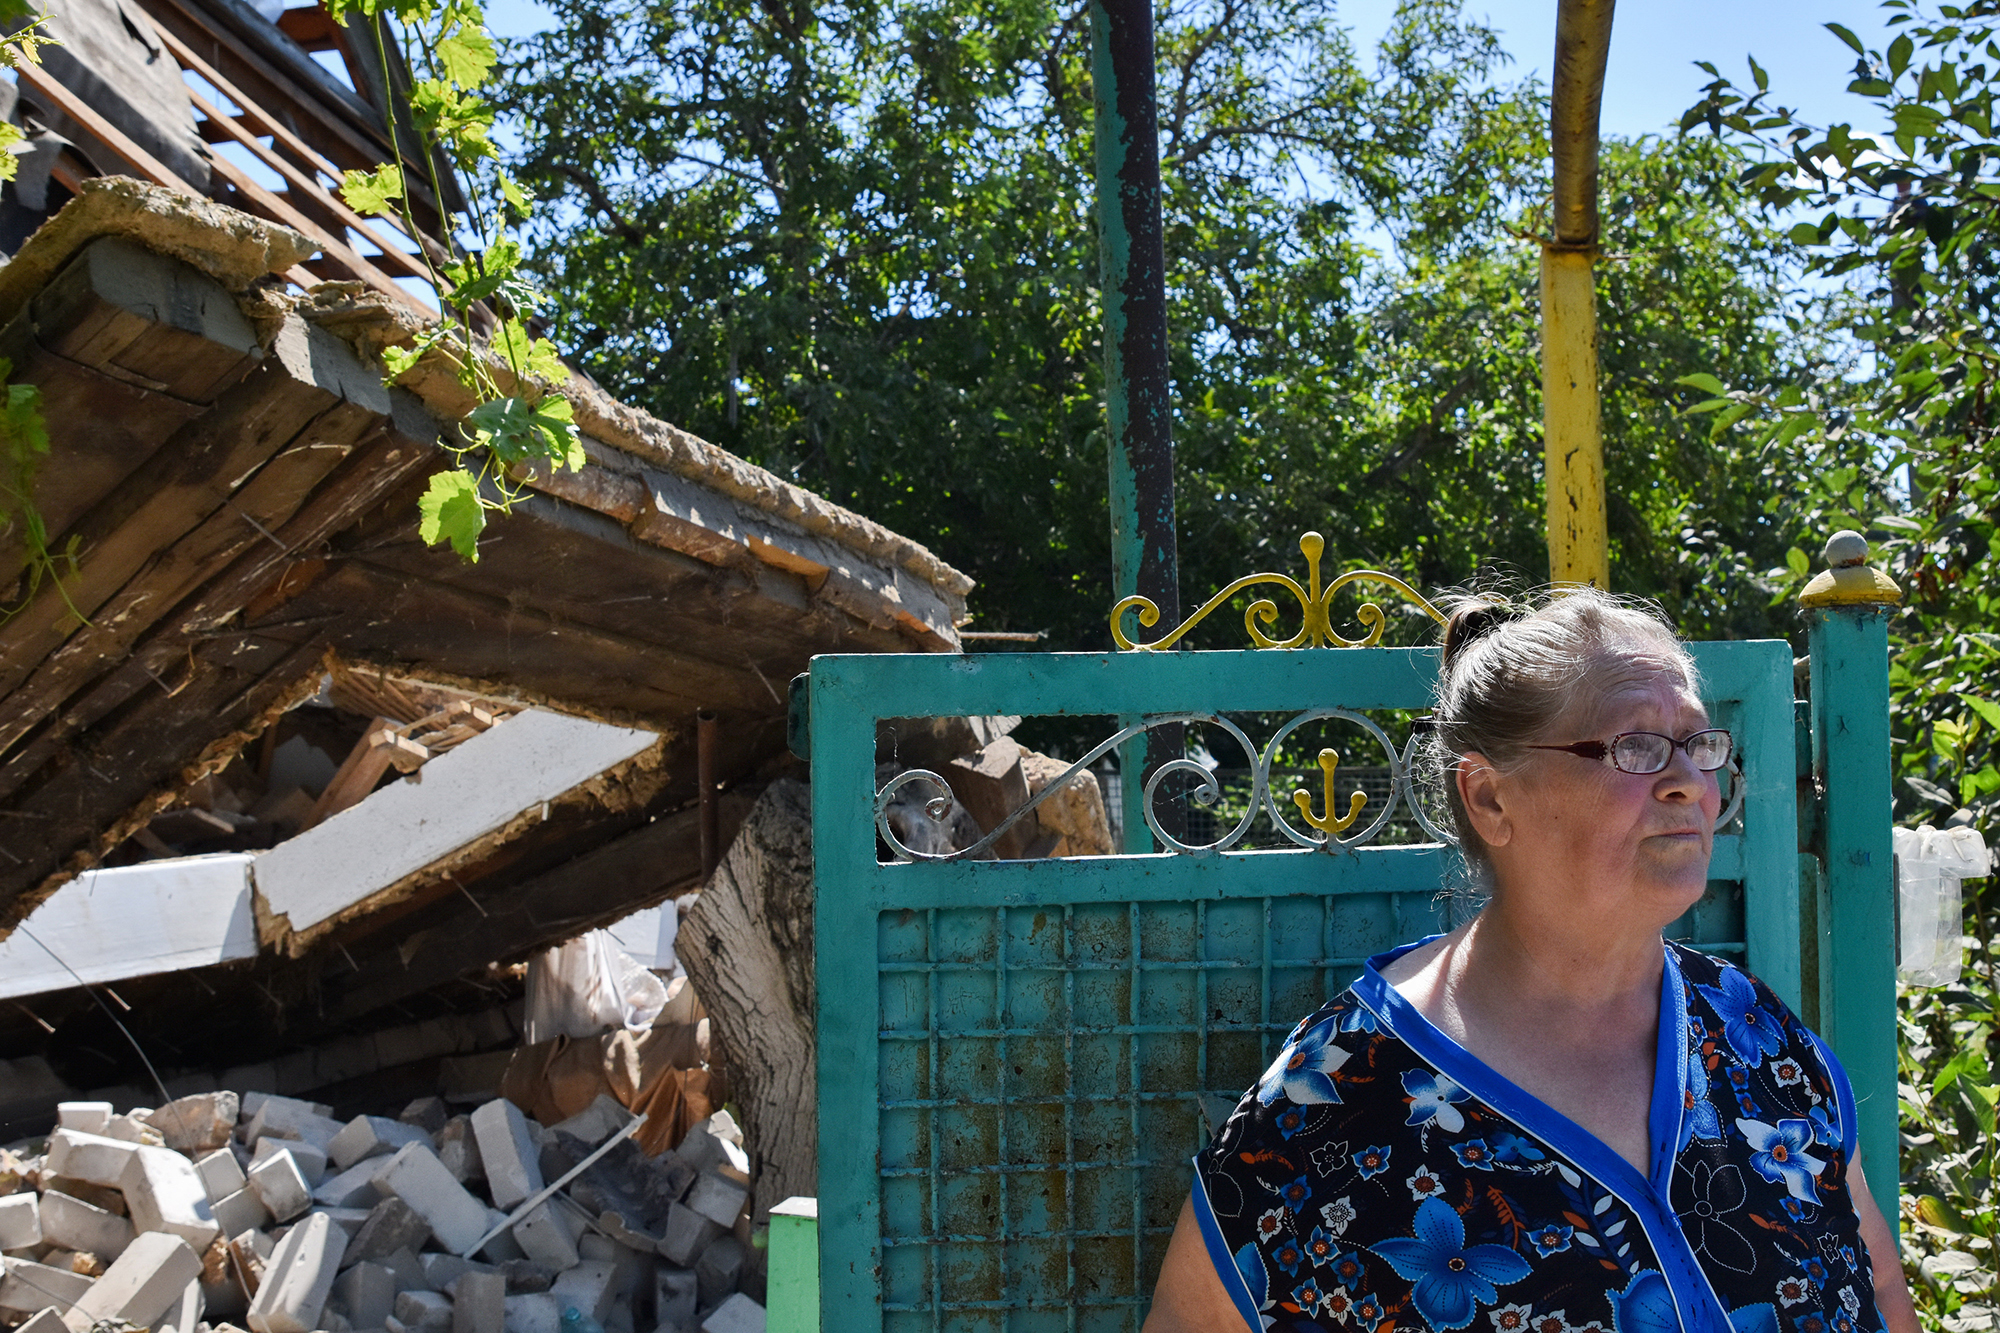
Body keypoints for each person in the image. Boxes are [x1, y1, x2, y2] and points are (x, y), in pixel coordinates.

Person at [1143, 590, 1920, 1333]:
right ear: (1489, 798)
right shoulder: (1341, 1093)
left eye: (1698, 742)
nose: (1689, 781)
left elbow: (1879, 1284)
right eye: (1636, 746)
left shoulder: (1756, 1036)